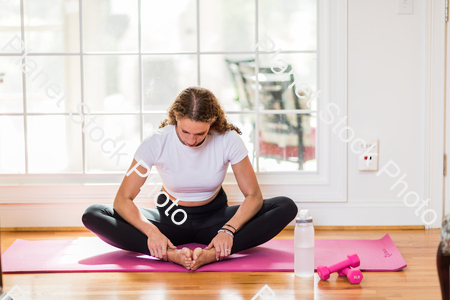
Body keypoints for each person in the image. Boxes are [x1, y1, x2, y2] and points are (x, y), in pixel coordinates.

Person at [82, 86, 298, 271]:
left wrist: (228, 230)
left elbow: (253, 196)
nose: (191, 141)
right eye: (185, 132)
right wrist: (152, 232)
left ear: (212, 124)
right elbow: (122, 199)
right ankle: (168, 253)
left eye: (200, 134)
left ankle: (213, 253)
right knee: (93, 214)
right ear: (175, 117)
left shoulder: (228, 139)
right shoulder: (156, 142)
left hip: (216, 219)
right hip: (169, 220)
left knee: (286, 206)